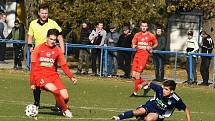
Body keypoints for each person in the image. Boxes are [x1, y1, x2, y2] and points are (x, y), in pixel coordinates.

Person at [30, 29, 77, 118]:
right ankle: (65, 110)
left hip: (53, 76)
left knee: (65, 97)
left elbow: (63, 65)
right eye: (51, 39)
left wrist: (71, 77)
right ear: (47, 38)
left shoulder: (57, 50)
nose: (53, 41)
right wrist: (32, 82)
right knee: (55, 91)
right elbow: (33, 66)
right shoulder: (39, 48)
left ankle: (60, 106)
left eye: (55, 40)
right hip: (40, 76)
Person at [27, 3, 65, 108]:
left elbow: (60, 37)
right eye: (42, 13)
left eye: (46, 13)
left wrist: (62, 51)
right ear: (39, 13)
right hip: (38, 55)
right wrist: (30, 46)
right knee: (36, 79)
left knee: (54, 79)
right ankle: (37, 103)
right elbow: (30, 36)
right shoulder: (33, 24)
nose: (44, 15)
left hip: (51, 56)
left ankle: (58, 104)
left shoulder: (53, 23)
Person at [112, 80, 191, 121]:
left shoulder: (175, 99)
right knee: (137, 112)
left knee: (148, 119)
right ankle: (118, 117)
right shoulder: (160, 89)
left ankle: (142, 118)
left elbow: (186, 109)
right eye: (164, 88)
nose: (163, 90)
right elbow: (148, 83)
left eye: (166, 89)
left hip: (159, 113)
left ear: (172, 91)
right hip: (149, 106)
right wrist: (142, 85)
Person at [130, 21, 158, 97]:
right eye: (142, 26)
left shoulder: (150, 35)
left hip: (144, 57)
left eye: (145, 26)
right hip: (136, 56)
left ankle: (135, 93)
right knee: (133, 75)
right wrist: (134, 46)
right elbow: (133, 43)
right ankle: (146, 85)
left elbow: (156, 43)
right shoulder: (137, 35)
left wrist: (151, 47)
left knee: (138, 74)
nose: (144, 27)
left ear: (147, 27)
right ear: (140, 27)